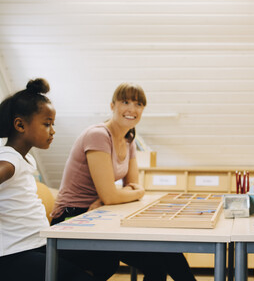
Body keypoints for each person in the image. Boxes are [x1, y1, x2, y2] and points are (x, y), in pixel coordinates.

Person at [51, 82, 196, 281]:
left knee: (165, 254)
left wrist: (110, 198)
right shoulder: (98, 135)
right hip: (73, 218)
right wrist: (134, 193)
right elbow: (126, 192)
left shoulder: (129, 139)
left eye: (138, 104)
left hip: (100, 213)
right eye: (125, 102)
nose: (131, 109)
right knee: (159, 261)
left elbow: (128, 187)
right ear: (112, 106)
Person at [0, 78, 95, 281]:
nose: (52, 131)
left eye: (52, 124)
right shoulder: (9, 160)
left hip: (37, 243)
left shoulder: (25, 159)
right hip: (15, 254)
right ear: (20, 125)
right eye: (47, 124)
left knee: (103, 260)